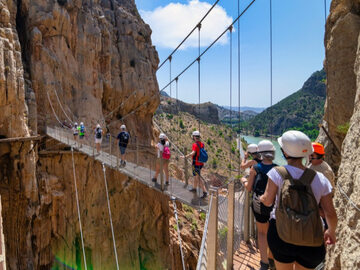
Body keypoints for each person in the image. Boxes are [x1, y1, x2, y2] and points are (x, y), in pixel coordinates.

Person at [260, 130, 337, 270]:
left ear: (285, 152)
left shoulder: (276, 173)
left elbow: (267, 201)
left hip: (281, 233)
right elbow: (330, 213)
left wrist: (261, 198)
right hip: (311, 236)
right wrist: (331, 231)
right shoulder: (320, 178)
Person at [241, 140, 277, 270]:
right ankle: (272, 259)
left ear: (260, 153)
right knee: (272, 231)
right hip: (274, 205)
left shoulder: (256, 168)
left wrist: (244, 181)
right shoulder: (278, 168)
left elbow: (249, 188)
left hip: (259, 204)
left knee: (262, 233)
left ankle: (264, 262)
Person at [182, 131, 208, 199]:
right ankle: (194, 188)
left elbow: (193, 153)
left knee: (198, 178)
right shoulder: (202, 144)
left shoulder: (195, 144)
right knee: (195, 177)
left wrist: (185, 156)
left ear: (194, 137)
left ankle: (205, 192)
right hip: (200, 163)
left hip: (195, 163)